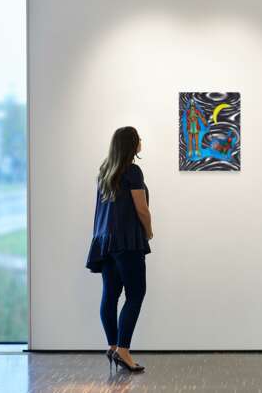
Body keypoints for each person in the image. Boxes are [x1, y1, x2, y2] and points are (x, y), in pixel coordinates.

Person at [86, 126, 153, 373]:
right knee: (136, 294)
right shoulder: (132, 171)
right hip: (127, 241)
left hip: (106, 242)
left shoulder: (105, 170)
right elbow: (141, 208)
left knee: (110, 295)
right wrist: (149, 230)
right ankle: (124, 350)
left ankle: (113, 345)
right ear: (131, 144)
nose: (141, 142)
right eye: (139, 139)